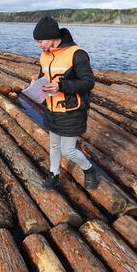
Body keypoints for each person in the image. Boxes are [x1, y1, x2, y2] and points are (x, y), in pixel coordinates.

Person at [32, 16, 97, 189]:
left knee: (68, 151)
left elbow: (88, 82)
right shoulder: (45, 55)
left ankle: (89, 169)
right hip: (52, 109)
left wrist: (61, 86)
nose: (38, 45)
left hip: (72, 110)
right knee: (54, 145)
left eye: (40, 41)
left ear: (52, 36)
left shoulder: (77, 54)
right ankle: (54, 175)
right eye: (37, 41)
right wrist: (36, 84)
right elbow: (44, 77)